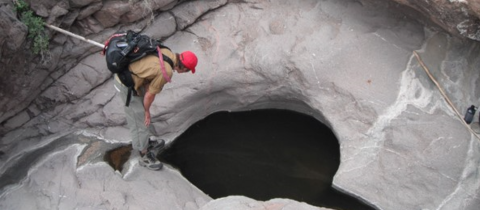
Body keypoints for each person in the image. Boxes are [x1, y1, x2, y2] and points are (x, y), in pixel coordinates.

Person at [113, 48, 198, 170]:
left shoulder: (168, 52)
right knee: (141, 121)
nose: (186, 72)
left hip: (131, 75)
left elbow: (150, 77)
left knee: (141, 113)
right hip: (125, 83)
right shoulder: (167, 71)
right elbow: (150, 95)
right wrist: (146, 112)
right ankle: (143, 154)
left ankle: (144, 143)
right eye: (188, 70)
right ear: (184, 68)